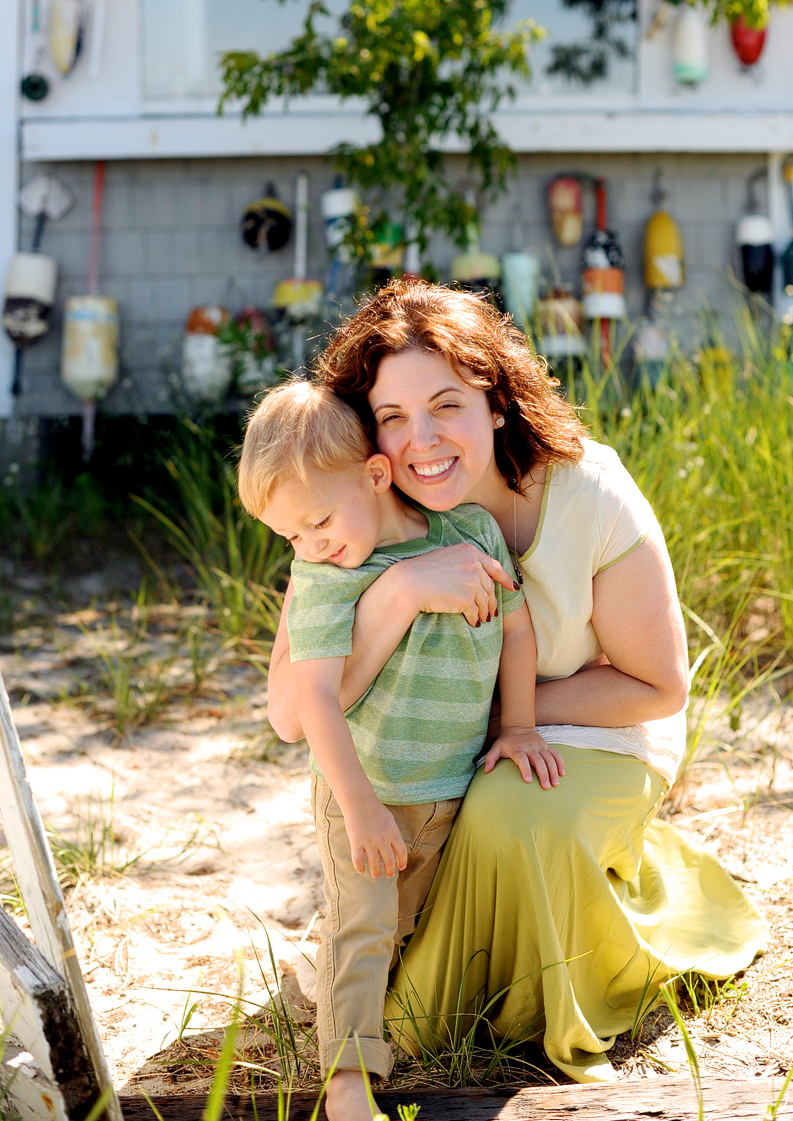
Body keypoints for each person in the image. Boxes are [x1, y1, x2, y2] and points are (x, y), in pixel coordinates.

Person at [265, 280, 768, 1094]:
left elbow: (658, 685)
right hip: (435, 754)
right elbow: (292, 715)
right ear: (369, 442)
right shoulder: (354, 509)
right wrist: (395, 596)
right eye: (393, 417)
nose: (421, 441)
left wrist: (508, 719)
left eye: (447, 405)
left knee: (508, 807)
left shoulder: (587, 492)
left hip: (597, 729)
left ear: (497, 404)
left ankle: (535, 982)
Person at [239, 381, 563, 1121]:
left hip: (449, 786)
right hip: (370, 788)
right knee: (365, 926)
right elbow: (314, 699)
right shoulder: (328, 579)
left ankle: (313, 980)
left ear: (375, 476)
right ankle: (347, 1087)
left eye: (317, 520)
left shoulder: (472, 534)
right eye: (290, 536)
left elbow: (516, 631)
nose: (310, 544)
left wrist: (519, 724)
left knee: (401, 926)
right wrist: (358, 810)